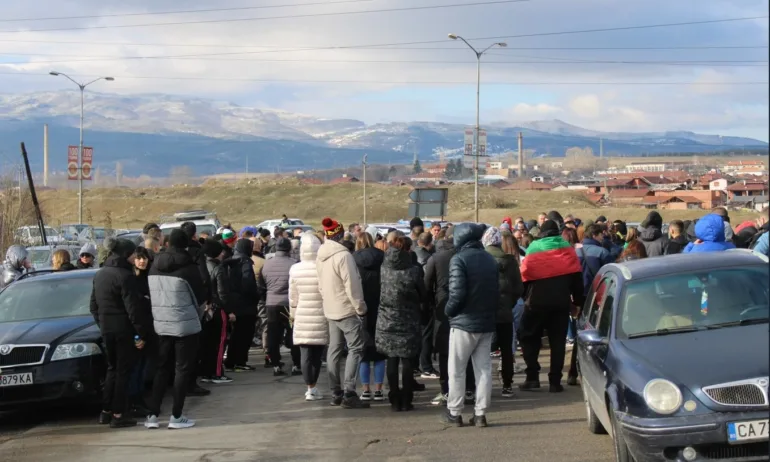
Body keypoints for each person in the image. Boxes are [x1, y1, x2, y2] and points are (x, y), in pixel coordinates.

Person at [439, 223, 499, 427]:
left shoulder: (459, 259)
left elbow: (457, 294)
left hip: (463, 322)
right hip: (486, 321)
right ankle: (480, 414)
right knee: (483, 369)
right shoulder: (489, 259)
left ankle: (455, 412)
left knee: (456, 369)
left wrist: (447, 311)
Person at [145, 229, 206, 430]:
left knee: (162, 368)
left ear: (167, 243)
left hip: (161, 323)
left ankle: (152, 415)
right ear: (186, 244)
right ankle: (176, 416)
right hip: (184, 324)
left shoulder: (154, 265)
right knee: (182, 370)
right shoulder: (189, 267)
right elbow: (200, 295)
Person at [90, 237, 151, 428]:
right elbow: (133, 310)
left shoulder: (100, 274)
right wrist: (141, 333)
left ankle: (106, 411)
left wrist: (103, 324)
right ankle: (119, 413)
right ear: (126, 255)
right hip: (124, 330)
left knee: (112, 369)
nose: (135, 257)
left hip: (107, 329)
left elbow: (93, 306)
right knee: (123, 371)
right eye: (133, 254)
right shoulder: (125, 276)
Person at [518, 219, 584, 393]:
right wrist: (577, 303)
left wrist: (525, 296)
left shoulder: (533, 247)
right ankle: (555, 381)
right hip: (560, 303)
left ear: (541, 232)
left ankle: (532, 376)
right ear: (557, 231)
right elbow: (577, 280)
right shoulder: (567, 249)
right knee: (557, 342)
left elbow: (524, 276)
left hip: (536, 302)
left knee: (528, 337)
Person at [316, 217, 369, 409]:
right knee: (355, 348)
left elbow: (320, 284)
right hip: (346, 308)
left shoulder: (321, 255)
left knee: (334, 349)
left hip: (330, 308)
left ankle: (335, 391)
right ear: (340, 234)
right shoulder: (343, 256)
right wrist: (360, 308)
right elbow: (352, 285)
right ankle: (349, 392)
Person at [376, 235, 426, 412]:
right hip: (408, 319)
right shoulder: (413, 271)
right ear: (407, 250)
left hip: (386, 319)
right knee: (407, 360)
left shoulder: (383, 269)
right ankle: (406, 398)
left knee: (391, 358)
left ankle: (394, 398)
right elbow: (423, 294)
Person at [483, 227, 523, 399]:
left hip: (485, 313)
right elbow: (518, 288)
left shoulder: (481, 259)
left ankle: (482, 386)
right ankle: (507, 385)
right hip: (505, 312)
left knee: (482, 350)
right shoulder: (510, 262)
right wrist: (509, 303)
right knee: (507, 350)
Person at [287, 233, 327, 400]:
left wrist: (292, 315)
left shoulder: (295, 269)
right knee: (317, 355)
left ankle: (309, 387)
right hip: (321, 313)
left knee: (305, 353)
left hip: (302, 313)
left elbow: (292, 296)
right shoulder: (322, 267)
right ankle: (314, 386)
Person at [353, 231, 387, 402]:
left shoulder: (352, 259)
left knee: (363, 351)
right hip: (381, 306)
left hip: (361, 307)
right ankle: (379, 389)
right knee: (380, 351)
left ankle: (365, 389)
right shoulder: (382, 256)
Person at [261, 237, 301, 376]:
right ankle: (296, 364)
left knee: (273, 334)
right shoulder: (294, 264)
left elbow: (263, 283)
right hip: (289, 305)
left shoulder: (267, 264)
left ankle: (276, 365)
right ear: (289, 248)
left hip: (271, 303)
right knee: (293, 333)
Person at [127, 246, 155, 417]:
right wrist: (138, 335)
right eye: (139, 258)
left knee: (144, 366)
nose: (142, 261)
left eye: (144, 257)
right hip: (136, 330)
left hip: (149, 327)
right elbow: (133, 310)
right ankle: (134, 401)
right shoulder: (131, 280)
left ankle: (140, 399)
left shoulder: (149, 277)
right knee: (136, 368)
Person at [201, 239, 233, 384]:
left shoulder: (203, 265)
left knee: (207, 343)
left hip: (206, 309)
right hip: (218, 308)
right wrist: (229, 310)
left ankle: (206, 372)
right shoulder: (218, 268)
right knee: (220, 342)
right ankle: (217, 372)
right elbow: (223, 293)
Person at [225, 239, 260, 372]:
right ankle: (240, 361)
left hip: (235, 303)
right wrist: (256, 295)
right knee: (245, 334)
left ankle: (231, 360)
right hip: (246, 304)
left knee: (236, 334)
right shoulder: (245, 263)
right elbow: (248, 284)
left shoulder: (231, 261)